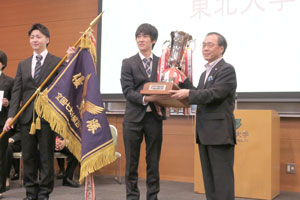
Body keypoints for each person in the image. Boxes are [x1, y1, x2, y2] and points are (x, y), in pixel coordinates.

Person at [3, 23, 68, 200]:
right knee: (29, 156)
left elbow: (65, 84)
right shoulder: (23, 64)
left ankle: (44, 192)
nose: (35, 40)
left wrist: (69, 62)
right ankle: (31, 192)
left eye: (38, 36)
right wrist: (11, 117)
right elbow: (16, 92)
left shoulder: (57, 62)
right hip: (26, 118)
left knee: (46, 156)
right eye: (32, 37)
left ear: (47, 39)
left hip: (47, 117)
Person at [170, 32, 237, 200]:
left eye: (210, 45)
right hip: (205, 133)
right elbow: (200, 92)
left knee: (222, 181)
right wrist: (184, 81)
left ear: (221, 48)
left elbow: (214, 94)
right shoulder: (204, 73)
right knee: (209, 180)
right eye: (204, 45)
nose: (205, 48)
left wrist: (188, 93)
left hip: (219, 133)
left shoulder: (227, 69)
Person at [120, 23, 166, 200]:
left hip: (154, 117)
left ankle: (152, 197)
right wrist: (146, 99)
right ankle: (132, 197)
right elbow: (127, 91)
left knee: (153, 161)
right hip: (133, 119)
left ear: (153, 40)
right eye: (138, 36)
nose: (141, 39)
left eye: (145, 36)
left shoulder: (162, 63)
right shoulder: (128, 63)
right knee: (132, 162)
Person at [0, 50, 14, 199]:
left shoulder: (9, 81)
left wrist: (7, 103)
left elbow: (15, 104)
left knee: (0, 156)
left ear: (2, 64)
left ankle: (0, 187)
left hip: (1, 123)